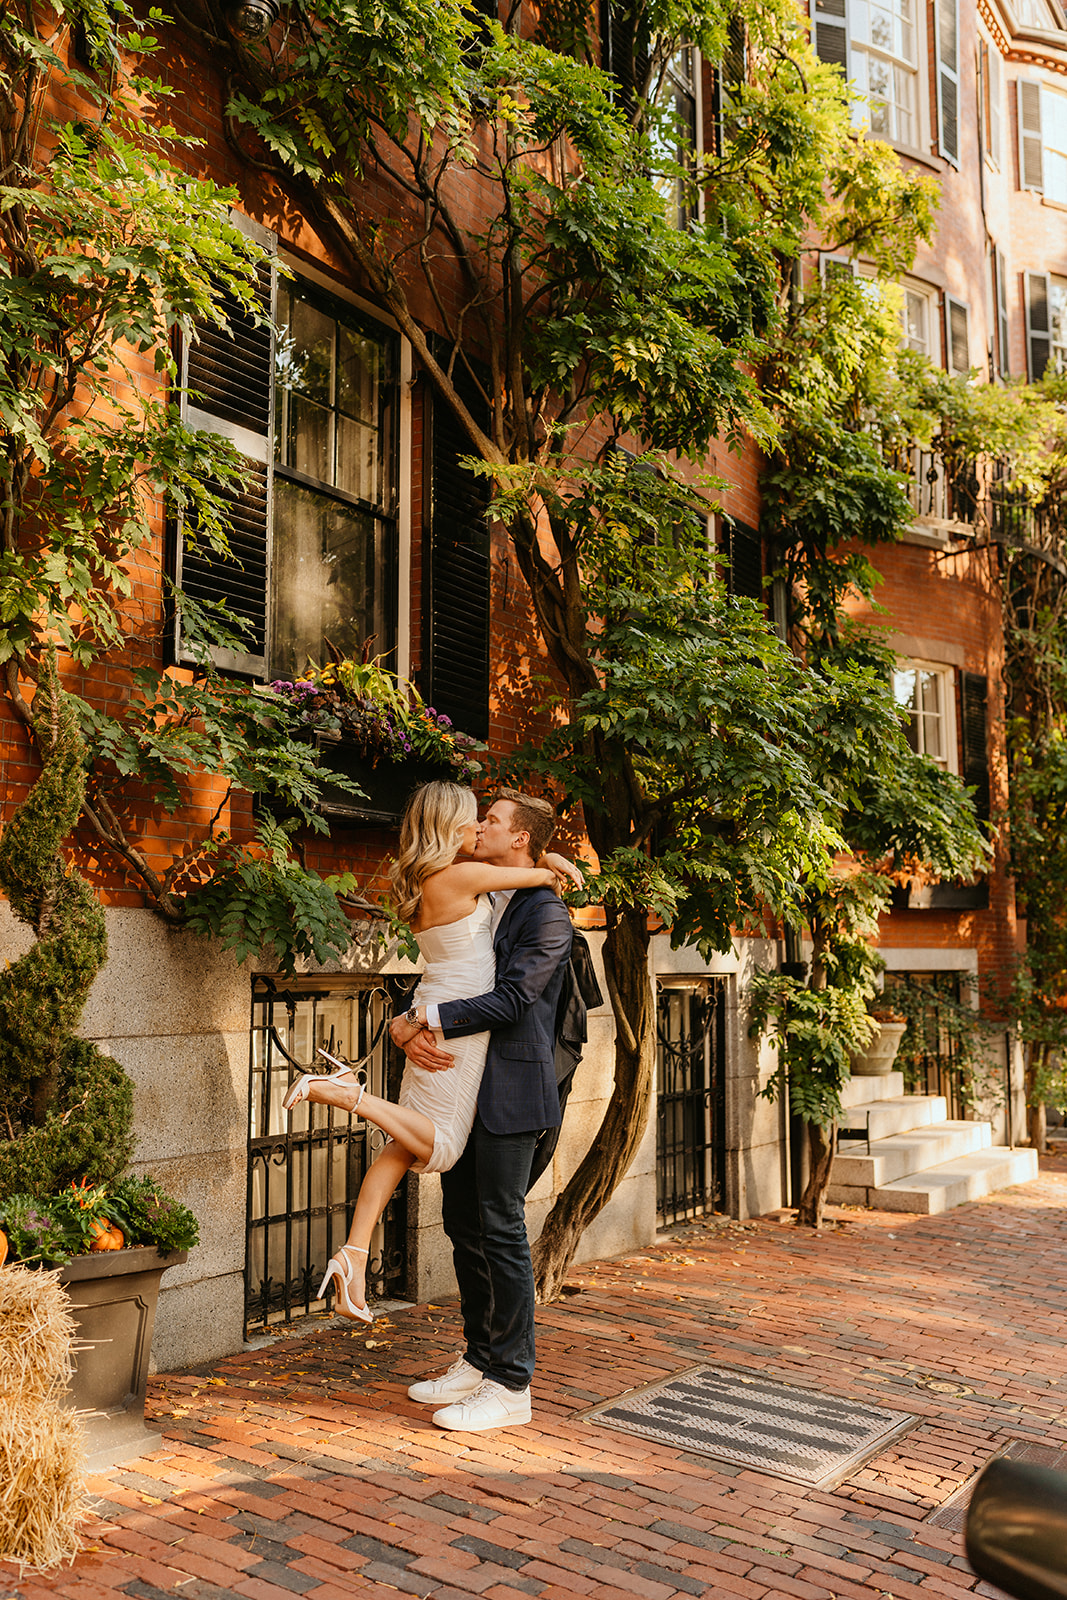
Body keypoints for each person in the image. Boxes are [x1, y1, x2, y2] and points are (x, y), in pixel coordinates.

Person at [281, 781, 575, 1322]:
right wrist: (552, 858)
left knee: (403, 1143)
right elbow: (543, 875)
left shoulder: (426, 879)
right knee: (439, 1149)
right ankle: (350, 1094)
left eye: (489, 821)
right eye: (475, 819)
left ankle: (354, 1253)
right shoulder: (465, 875)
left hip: (432, 1005)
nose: (481, 827)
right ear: (453, 827)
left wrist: (407, 1019)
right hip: (454, 1024)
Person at [390, 788, 574, 1433]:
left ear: (519, 838)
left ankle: (512, 1384)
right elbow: (456, 973)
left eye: (491, 820)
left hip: (512, 1092)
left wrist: (426, 1019)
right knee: (464, 1223)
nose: (479, 826)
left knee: (499, 1228)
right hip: (465, 1084)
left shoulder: (546, 913)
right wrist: (406, 1021)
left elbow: (516, 1001)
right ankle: (479, 1357)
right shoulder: (488, 893)